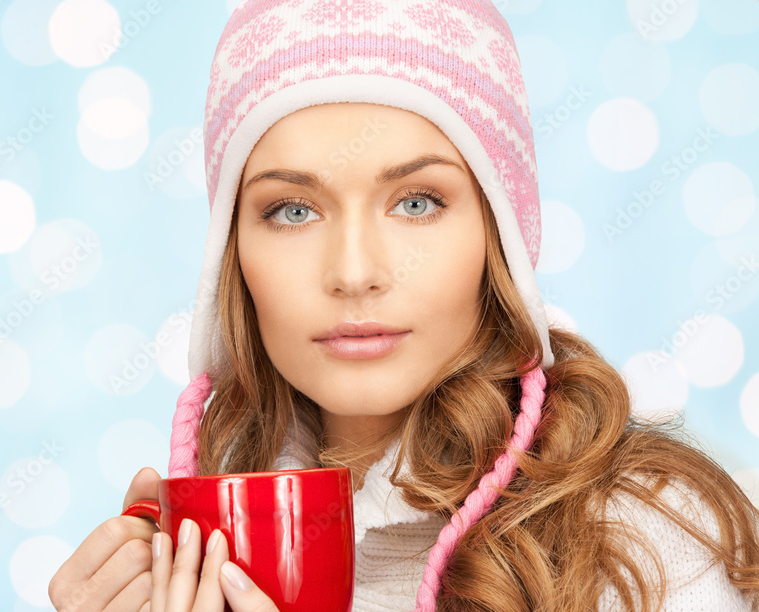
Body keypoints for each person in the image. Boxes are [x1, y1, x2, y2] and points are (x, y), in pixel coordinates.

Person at [48, 1, 759, 610]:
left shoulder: (644, 538)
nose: (354, 273)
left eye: (417, 202)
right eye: (293, 210)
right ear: (231, 258)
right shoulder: (204, 557)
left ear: (499, 235)